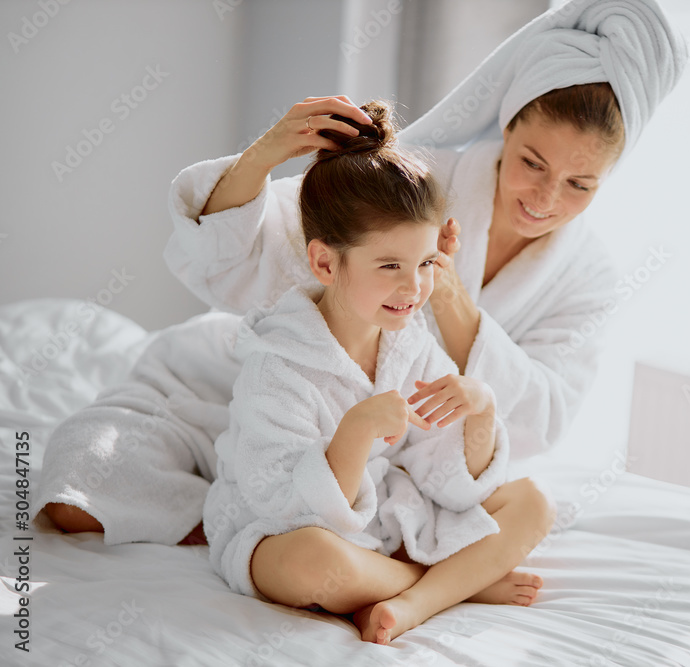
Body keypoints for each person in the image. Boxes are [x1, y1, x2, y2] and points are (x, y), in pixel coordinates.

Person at [35, 0, 686, 547]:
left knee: (492, 515)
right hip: (258, 393)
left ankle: (276, 523)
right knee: (77, 496)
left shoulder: (589, 274)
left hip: (404, 461)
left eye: (580, 183)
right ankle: (243, 517)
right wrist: (265, 154)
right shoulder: (414, 178)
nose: (546, 198)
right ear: (509, 124)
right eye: (533, 162)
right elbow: (241, 260)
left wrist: (447, 288)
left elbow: (540, 420)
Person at [205, 100, 552, 644]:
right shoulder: (276, 366)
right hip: (281, 531)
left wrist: (479, 410)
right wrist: (355, 431)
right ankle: (447, 584)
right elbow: (285, 506)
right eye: (390, 265)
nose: (413, 289)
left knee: (531, 501)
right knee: (312, 563)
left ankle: (412, 600)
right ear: (325, 263)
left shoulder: (408, 346)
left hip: (385, 527)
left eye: (427, 264)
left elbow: (449, 485)